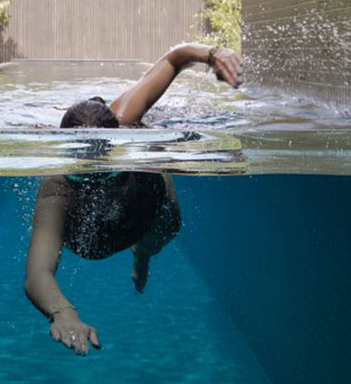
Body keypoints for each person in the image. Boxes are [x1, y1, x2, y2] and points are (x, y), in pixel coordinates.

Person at [24, 42, 242, 355]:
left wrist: (213, 54)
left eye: (103, 169)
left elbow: (174, 58)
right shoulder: (57, 187)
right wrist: (62, 312)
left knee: (166, 226)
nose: (92, 182)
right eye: (82, 174)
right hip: (91, 240)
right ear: (66, 156)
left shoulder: (126, 118)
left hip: (144, 211)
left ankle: (143, 254)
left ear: (117, 144)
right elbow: (37, 273)